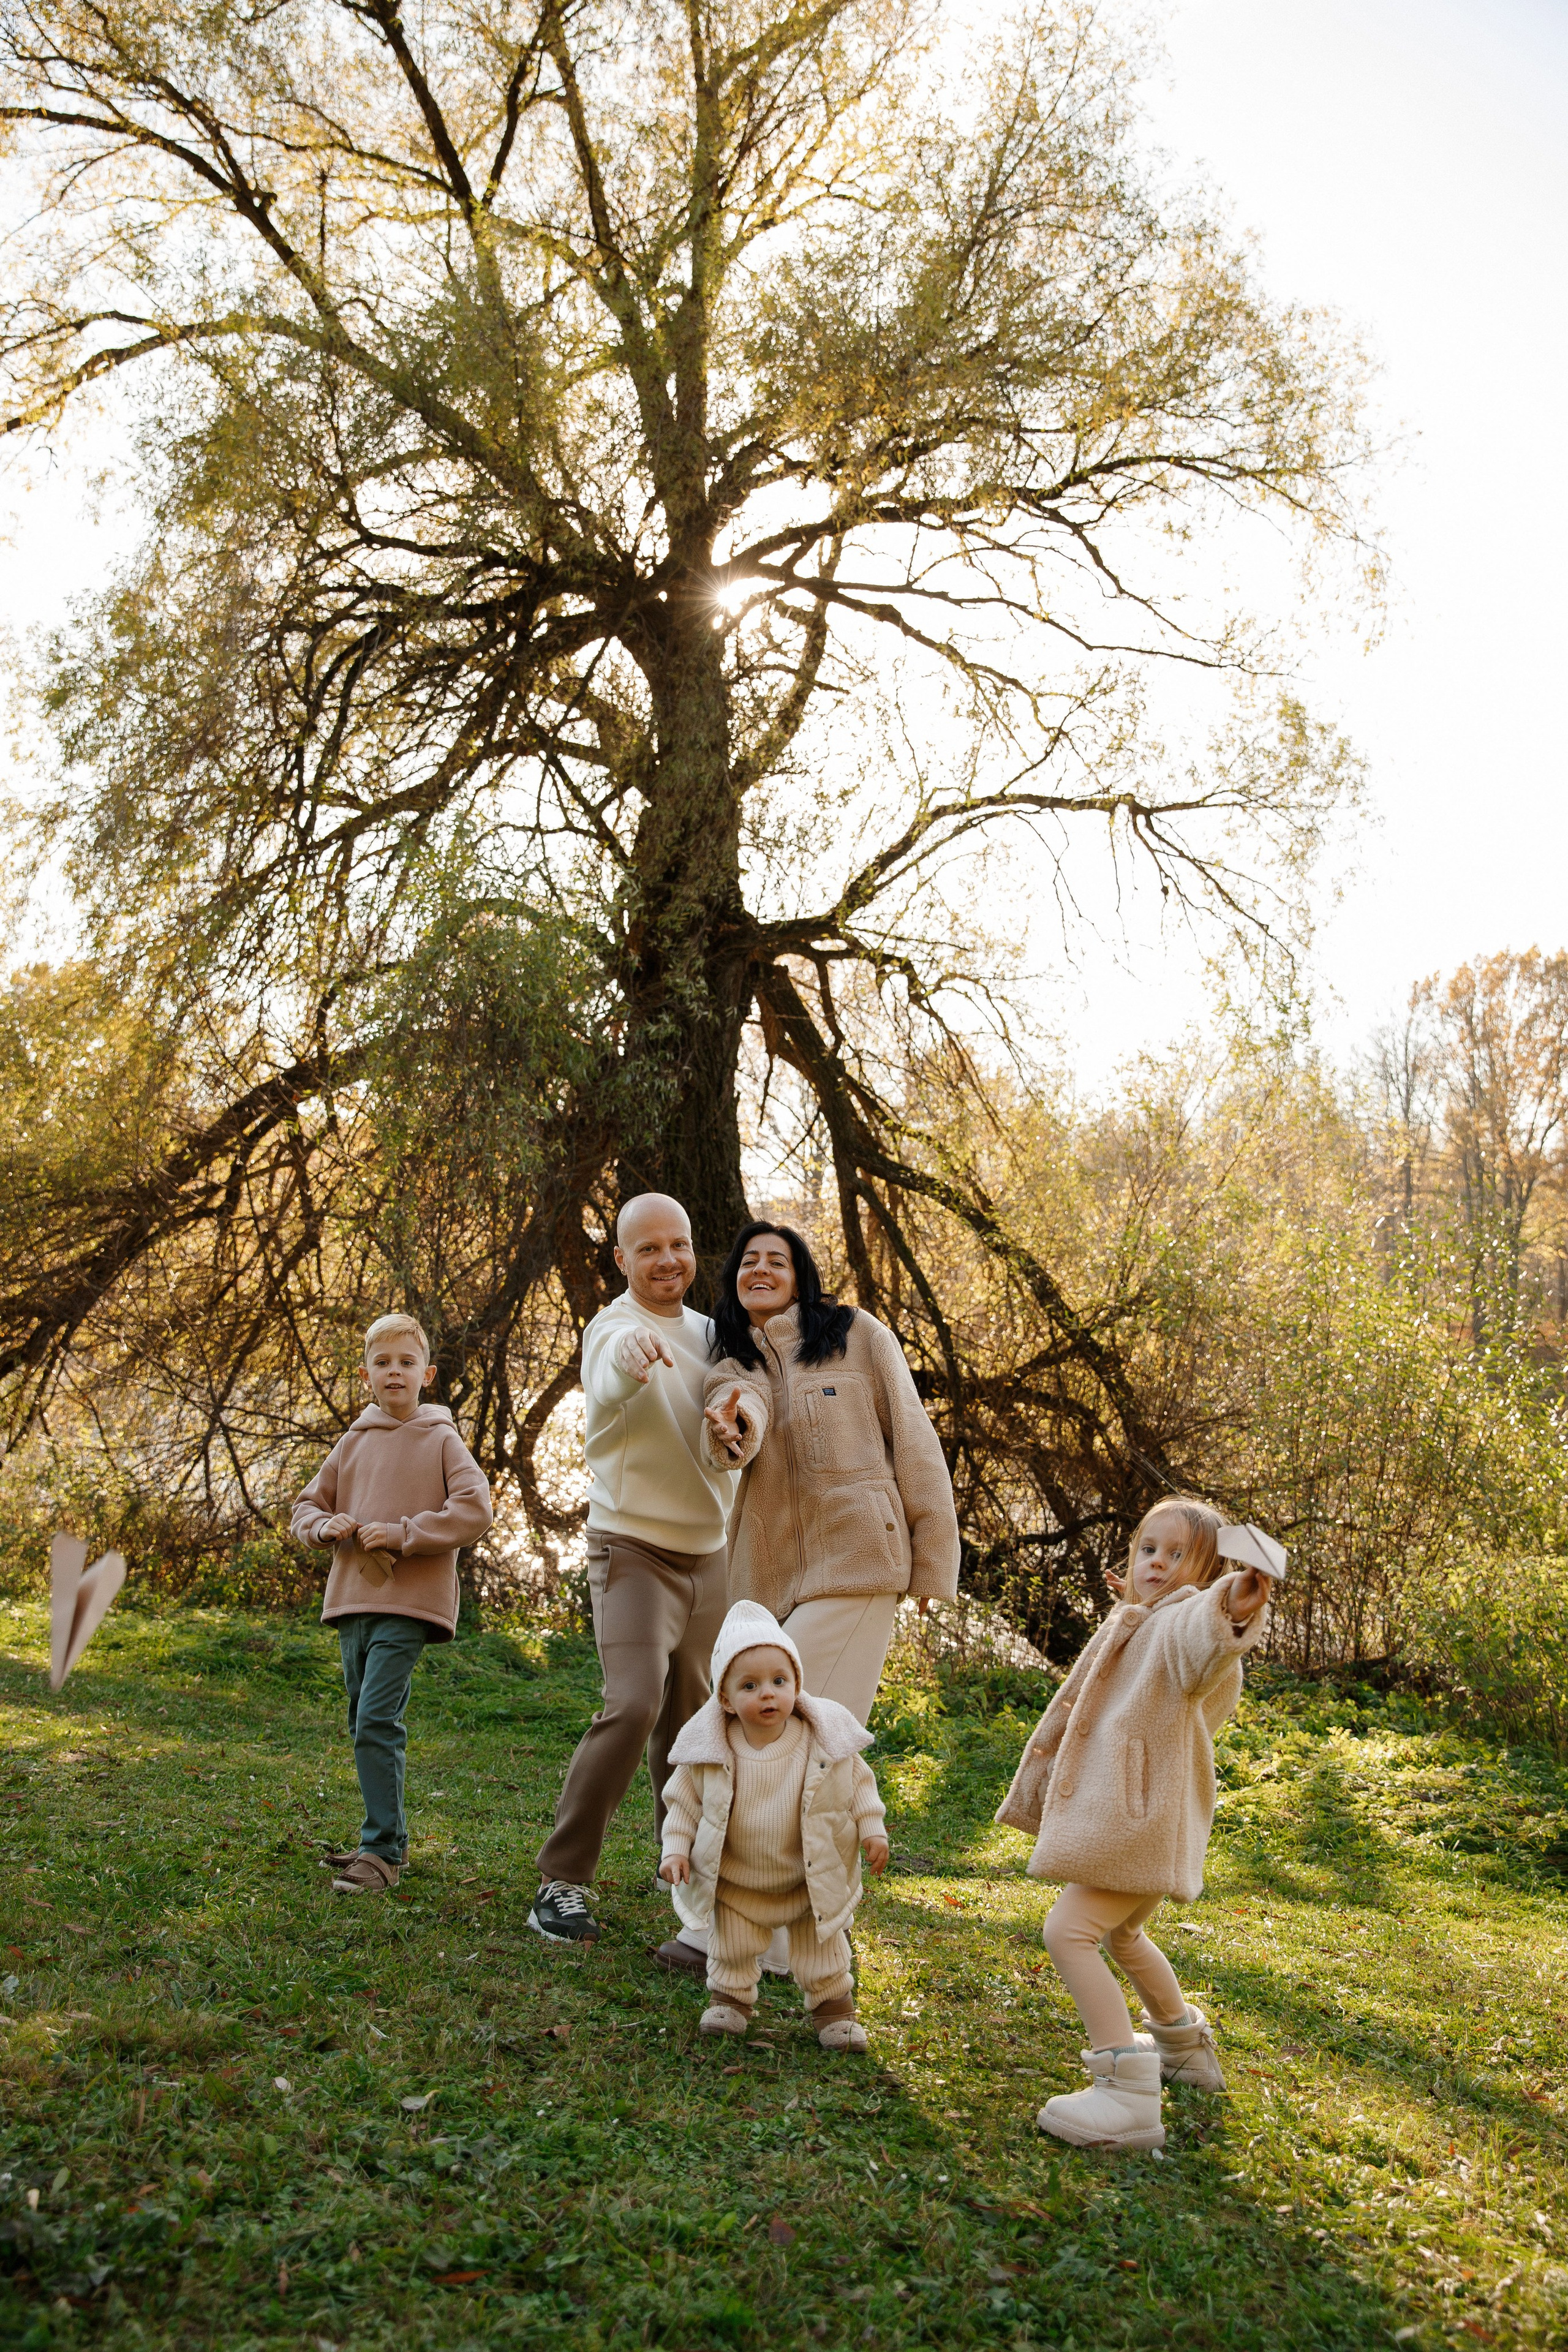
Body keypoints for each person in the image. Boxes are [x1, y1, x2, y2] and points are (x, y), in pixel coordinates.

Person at [993, 1498, 1275, 2152]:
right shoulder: (1147, 1619)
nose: (1158, 1563)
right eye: (1149, 1549)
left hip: (1139, 1825)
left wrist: (1237, 1600)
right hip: (1148, 1822)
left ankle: (1126, 2092)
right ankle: (1183, 2046)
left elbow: (1206, 1643)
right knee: (1123, 1935)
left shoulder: (1187, 1625)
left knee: (1068, 1931)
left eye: (1178, 1556)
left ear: (1202, 1574)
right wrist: (1141, 1604)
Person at [530, 1193, 753, 1947]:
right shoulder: (613, 1326)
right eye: (648, 1249)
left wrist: (738, 1432)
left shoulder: (717, 1333)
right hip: (630, 1548)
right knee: (631, 1705)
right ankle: (560, 1881)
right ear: (622, 1260)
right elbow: (609, 1370)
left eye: (679, 1246)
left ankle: (686, 1880)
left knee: (693, 1724)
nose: (667, 1261)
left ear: (694, 1251)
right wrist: (630, 1363)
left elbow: (742, 1410)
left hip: (710, 1555)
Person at [292, 1313, 493, 1895]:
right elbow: (305, 1510)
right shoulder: (353, 1441)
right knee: (362, 1723)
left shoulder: (441, 1438)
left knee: (378, 1717)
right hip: (352, 1600)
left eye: (407, 1362)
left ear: (427, 1374)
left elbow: (475, 1509)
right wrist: (327, 1526)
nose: (395, 1372)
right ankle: (384, 1839)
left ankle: (380, 1854)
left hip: (409, 1605)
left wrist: (403, 1533)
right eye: (383, 1363)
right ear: (366, 1376)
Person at [658, 1600, 889, 2050]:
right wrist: (675, 1849)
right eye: (750, 1685)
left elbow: (858, 1782)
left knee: (822, 1950)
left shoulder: (821, 1740)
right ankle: (730, 2001)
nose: (768, 1693)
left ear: (796, 1684)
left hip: (807, 1880)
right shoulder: (710, 1750)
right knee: (732, 1948)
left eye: (779, 1681)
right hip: (738, 1881)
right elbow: (682, 1804)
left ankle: (834, 2012)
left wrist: (872, 1828)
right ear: (724, 1698)